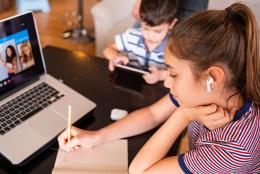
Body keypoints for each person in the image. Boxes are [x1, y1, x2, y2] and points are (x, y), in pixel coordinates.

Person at [58, 3, 260, 173]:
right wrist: (95, 137)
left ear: (212, 77)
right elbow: (153, 115)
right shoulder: (210, 94)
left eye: (173, 74)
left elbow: (140, 170)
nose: (166, 82)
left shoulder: (234, 148)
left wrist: (184, 115)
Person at [103, 0, 179, 84]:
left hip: (159, 88)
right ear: (140, 20)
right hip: (131, 83)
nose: (150, 36)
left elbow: (178, 72)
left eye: (157, 31)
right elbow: (108, 49)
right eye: (146, 28)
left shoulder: (174, 46)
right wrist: (115, 57)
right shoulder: (132, 35)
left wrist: (160, 75)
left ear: (172, 24)